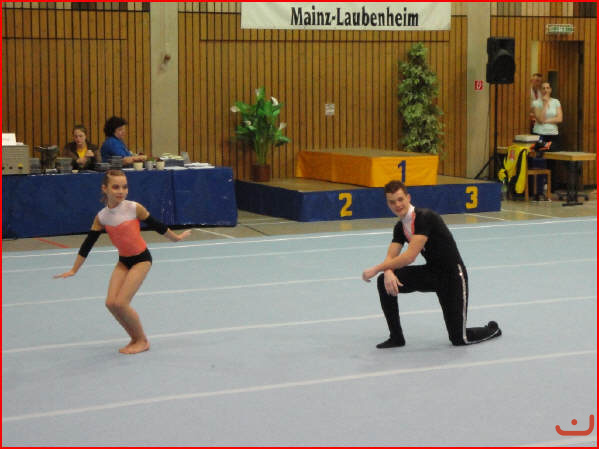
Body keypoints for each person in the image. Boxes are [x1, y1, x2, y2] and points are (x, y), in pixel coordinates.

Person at [54, 170, 191, 354]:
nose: (121, 191)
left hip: (141, 259)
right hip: (123, 262)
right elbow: (88, 244)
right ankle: (134, 338)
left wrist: (176, 238)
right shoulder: (102, 216)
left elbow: (157, 225)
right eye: (116, 187)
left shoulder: (134, 208)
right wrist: (74, 270)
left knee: (121, 303)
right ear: (105, 188)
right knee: (111, 303)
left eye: (124, 187)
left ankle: (142, 340)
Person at [362, 180, 502, 349]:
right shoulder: (400, 227)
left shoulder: (424, 217)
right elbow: (391, 256)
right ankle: (396, 337)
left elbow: (409, 257)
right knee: (384, 281)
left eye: (400, 199)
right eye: (392, 202)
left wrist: (377, 269)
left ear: (408, 197)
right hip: (431, 273)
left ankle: (493, 329)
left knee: (459, 338)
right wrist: (388, 272)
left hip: (452, 276)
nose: (397, 205)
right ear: (388, 203)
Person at [530, 81, 563, 199]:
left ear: (550, 90)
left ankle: (551, 187)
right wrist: (544, 105)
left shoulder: (556, 102)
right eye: (543, 88)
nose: (545, 90)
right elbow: (540, 119)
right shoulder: (536, 103)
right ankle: (538, 188)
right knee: (539, 159)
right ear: (541, 90)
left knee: (552, 160)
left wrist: (547, 121)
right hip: (540, 134)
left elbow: (559, 118)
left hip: (553, 134)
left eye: (547, 88)